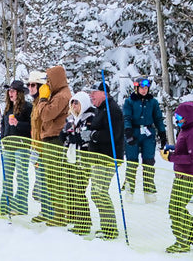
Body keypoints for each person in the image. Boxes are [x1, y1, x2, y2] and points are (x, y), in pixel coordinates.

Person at [81, 82, 125, 240]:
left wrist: (92, 135)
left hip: (106, 158)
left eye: (94, 92)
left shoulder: (112, 110)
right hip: (98, 157)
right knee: (97, 193)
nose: (91, 95)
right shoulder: (102, 109)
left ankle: (110, 229)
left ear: (104, 93)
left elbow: (113, 135)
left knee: (99, 192)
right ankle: (107, 226)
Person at [30, 66, 73, 225]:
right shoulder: (56, 94)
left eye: (48, 80)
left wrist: (42, 100)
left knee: (55, 179)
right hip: (47, 139)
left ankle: (60, 215)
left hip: (55, 139)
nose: (46, 84)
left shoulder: (62, 95)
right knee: (49, 179)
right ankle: (57, 213)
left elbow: (47, 114)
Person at [162, 102, 193, 253]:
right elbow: (183, 149)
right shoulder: (185, 130)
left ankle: (182, 242)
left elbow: (192, 157)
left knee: (175, 208)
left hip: (188, 177)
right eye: (176, 116)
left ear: (188, 117)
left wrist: (171, 158)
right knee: (179, 207)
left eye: (179, 117)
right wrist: (172, 150)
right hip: (181, 175)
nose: (177, 119)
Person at [122, 76, 166, 198]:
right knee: (132, 162)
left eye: (146, 88)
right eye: (141, 88)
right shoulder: (129, 101)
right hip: (134, 132)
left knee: (148, 162)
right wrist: (128, 132)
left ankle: (149, 190)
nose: (144, 90)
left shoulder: (153, 102)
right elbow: (126, 117)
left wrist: (162, 134)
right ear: (136, 88)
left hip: (148, 133)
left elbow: (158, 119)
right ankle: (129, 189)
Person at [59, 91, 94, 235]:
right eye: (72, 103)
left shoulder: (90, 117)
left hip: (83, 159)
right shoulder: (71, 119)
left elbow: (88, 137)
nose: (74, 106)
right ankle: (79, 220)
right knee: (72, 190)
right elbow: (63, 136)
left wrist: (75, 137)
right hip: (70, 158)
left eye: (77, 103)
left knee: (80, 190)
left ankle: (84, 223)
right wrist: (65, 134)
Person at [0, 79, 32, 215]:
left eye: (13, 91)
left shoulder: (27, 107)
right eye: (9, 91)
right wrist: (3, 138)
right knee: (7, 177)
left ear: (20, 93)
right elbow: (3, 125)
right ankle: (5, 205)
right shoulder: (8, 108)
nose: (10, 93)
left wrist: (18, 123)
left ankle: (21, 206)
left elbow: (31, 126)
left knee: (21, 176)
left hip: (21, 146)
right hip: (8, 146)